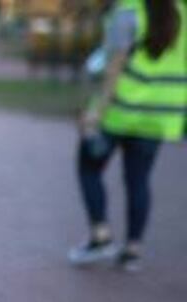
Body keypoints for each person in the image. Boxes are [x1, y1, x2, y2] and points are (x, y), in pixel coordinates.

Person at [70, 0, 185, 273]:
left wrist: (95, 113)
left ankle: (100, 235)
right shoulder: (182, 11)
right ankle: (133, 251)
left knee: (88, 167)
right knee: (139, 180)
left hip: (119, 111)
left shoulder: (128, 13)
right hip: (159, 115)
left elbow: (114, 68)